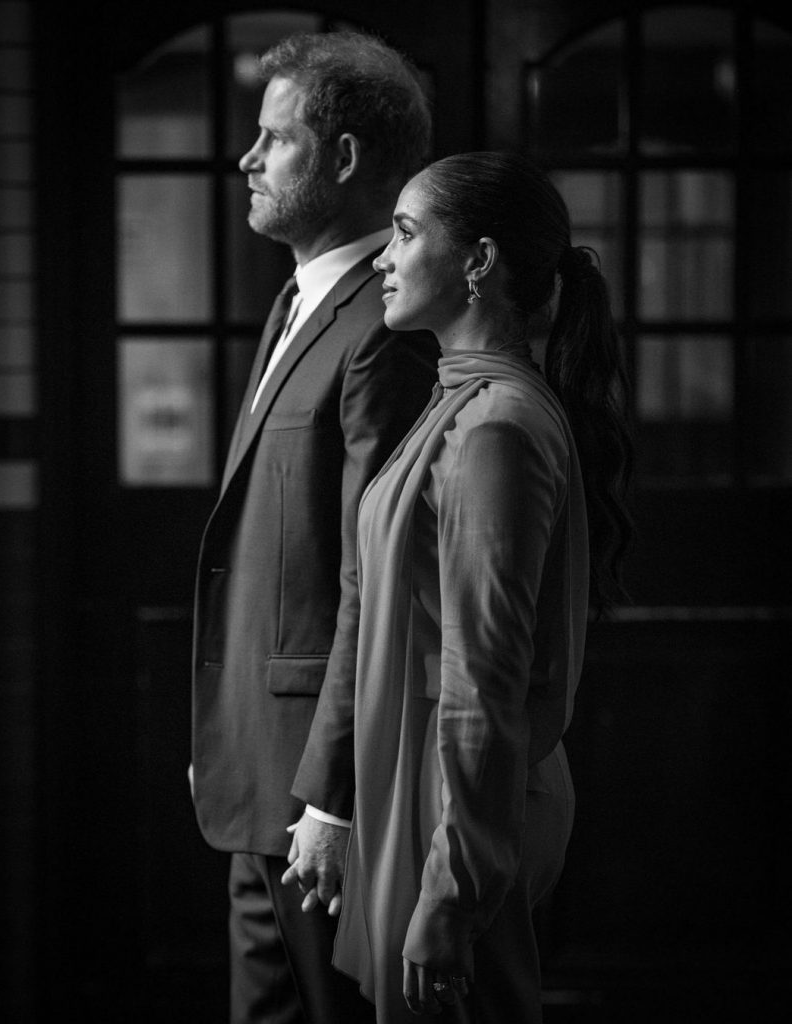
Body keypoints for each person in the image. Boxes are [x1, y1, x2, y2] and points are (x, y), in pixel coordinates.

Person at [325, 151, 634, 1023]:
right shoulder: (459, 404)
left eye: (404, 232)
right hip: (444, 785)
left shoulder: (495, 426)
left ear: (478, 261)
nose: (383, 259)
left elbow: (484, 682)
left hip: (466, 807)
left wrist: (453, 891)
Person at [190, 30, 437, 1024]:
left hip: (320, 790)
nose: (246, 159)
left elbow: (377, 578)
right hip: (257, 762)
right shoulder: (298, 300)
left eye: (274, 138)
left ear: (341, 158)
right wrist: (224, 733)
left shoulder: (386, 328)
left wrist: (333, 795)